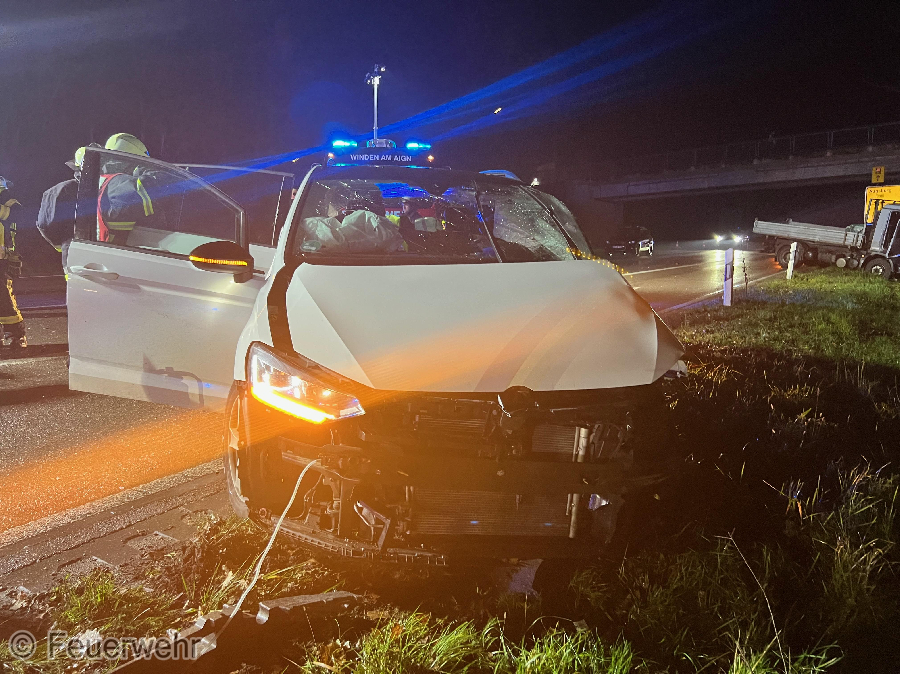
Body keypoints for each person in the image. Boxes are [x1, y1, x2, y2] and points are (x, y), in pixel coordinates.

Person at [97, 133, 161, 244]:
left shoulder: (101, 178)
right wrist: (150, 173)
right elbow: (150, 198)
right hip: (114, 246)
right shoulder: (119, 182)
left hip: (99, 243)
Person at [0, 175, 25, 348]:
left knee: (3, 296)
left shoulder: (8, 198)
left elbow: (10, 212)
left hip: (3, 258)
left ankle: (16, 333)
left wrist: (15, 258)